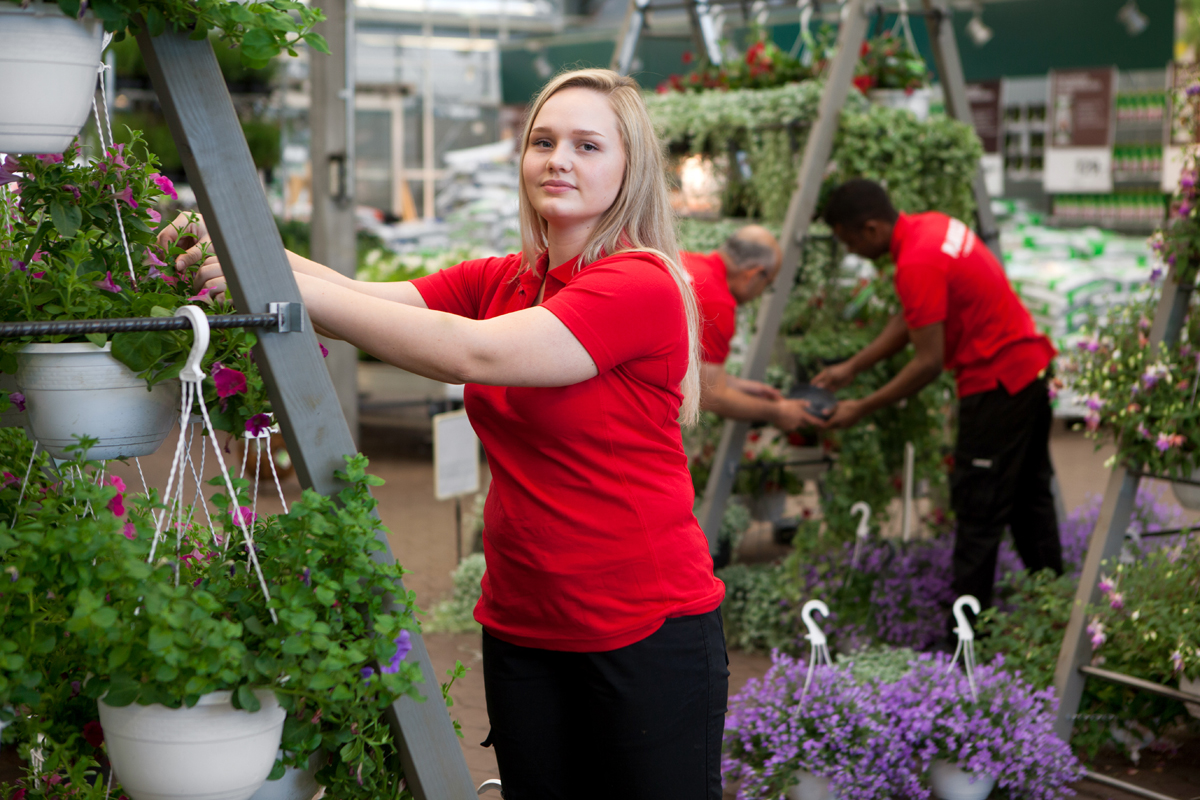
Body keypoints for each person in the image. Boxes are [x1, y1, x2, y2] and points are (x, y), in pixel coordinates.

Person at [168, 69, 728, 800]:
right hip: (524, 622)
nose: (559, 158)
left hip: (644, 630)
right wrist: (230, 241)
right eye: (543, 141)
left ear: (630, 169)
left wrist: (271, 286)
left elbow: (471, 352)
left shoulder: (640, 284)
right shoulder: (506, 279)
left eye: (588, 145)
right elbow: (359, 297)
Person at [813, 179, 1062, 619]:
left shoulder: (917, 261)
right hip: (1029, 373)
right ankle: (1056, 609)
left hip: (998, 385)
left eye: (849, 240)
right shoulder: (932, 228)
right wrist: (853, 367)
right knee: (1028, 498)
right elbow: (914, 317)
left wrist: (860, 407)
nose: (851, 251)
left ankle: (965, 639)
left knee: (978, 509)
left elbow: (927, 362)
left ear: (870, 228)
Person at [683, 227, 821, 430]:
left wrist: (738, 385)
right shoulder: (716, 302)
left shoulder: (688, 261)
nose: (762, 292)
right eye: (768, 284)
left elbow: (699, 376)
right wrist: (779, 411)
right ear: (754, 274)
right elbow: (710, 394)